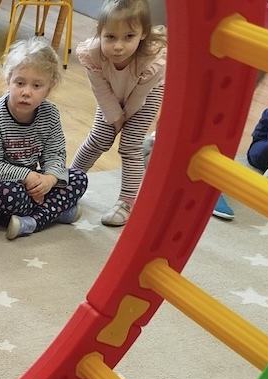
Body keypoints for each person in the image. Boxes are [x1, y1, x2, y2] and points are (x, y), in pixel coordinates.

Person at [0, 38, 87, 240]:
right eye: (20, 83)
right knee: (11, 196)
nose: (26, 92)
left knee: (79, 178)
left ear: (48, 89)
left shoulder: (50, 114)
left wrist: (49, 179)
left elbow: (55, 154)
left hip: (32, 181)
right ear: (8, 81)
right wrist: (27, 176)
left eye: (37, 85)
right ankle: (55, 211)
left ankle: (33, 220)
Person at [71, 0, 167, 226]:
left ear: (143, 33)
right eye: (110, 37)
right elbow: (100, 90)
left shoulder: (153, 58)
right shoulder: (92, 53)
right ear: (100, 32)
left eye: (128, 37)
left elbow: (138, 98)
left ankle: (127, 202)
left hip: (146, 96)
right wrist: (114, 117)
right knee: (98, 139)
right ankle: (68, 183)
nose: (118, 46)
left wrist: (123, 119)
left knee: (130, 145)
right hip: (112, 93)